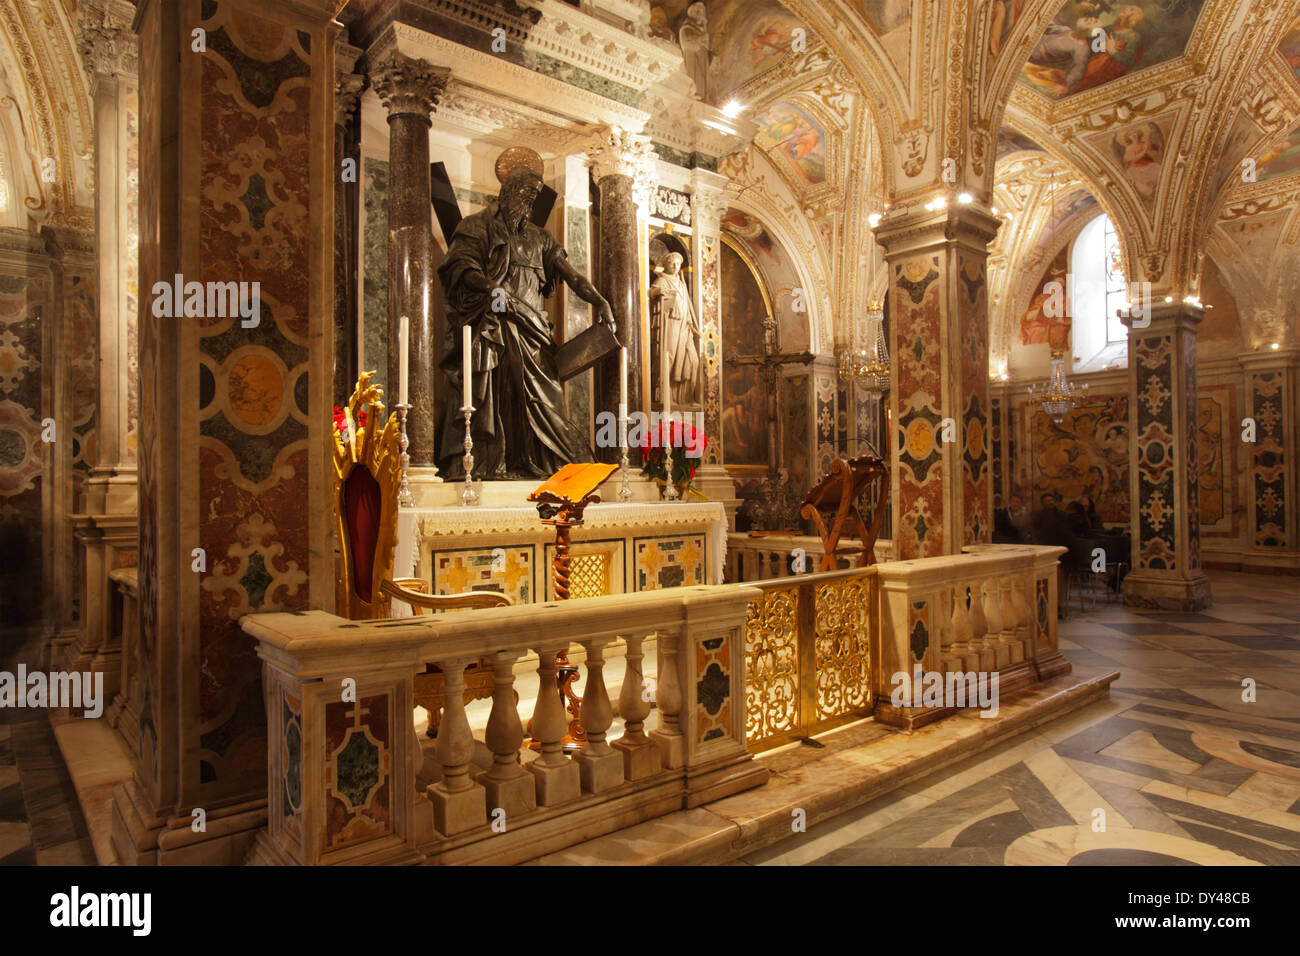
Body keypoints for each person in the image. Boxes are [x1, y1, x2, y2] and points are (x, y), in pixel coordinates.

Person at [437, 168, 618, 479]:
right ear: (509, 192)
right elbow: (460, 267)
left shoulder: (540, 238)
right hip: (496, 324)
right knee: (503, 391)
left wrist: (600, 301)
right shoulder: (477, 226)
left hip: (534, 330)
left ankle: (543, 463)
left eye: (534, 196)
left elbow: (572, 276)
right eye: (526, 193)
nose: (530, 201)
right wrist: (490, 288)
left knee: (547, 397)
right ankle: (497, 463)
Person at [649, 252, 701, 407]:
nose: (675, 266)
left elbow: (687, 307)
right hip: (670, 323)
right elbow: (651, 293)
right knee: (668, 358)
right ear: (665, 264)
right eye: (672, 263)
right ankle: (665, 396)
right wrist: (658, 292)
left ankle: (687, 397)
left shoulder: (681, 283)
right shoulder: (662, 280)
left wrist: (692, 325)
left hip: (685, 326)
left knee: (692, 360)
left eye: (678, 264)